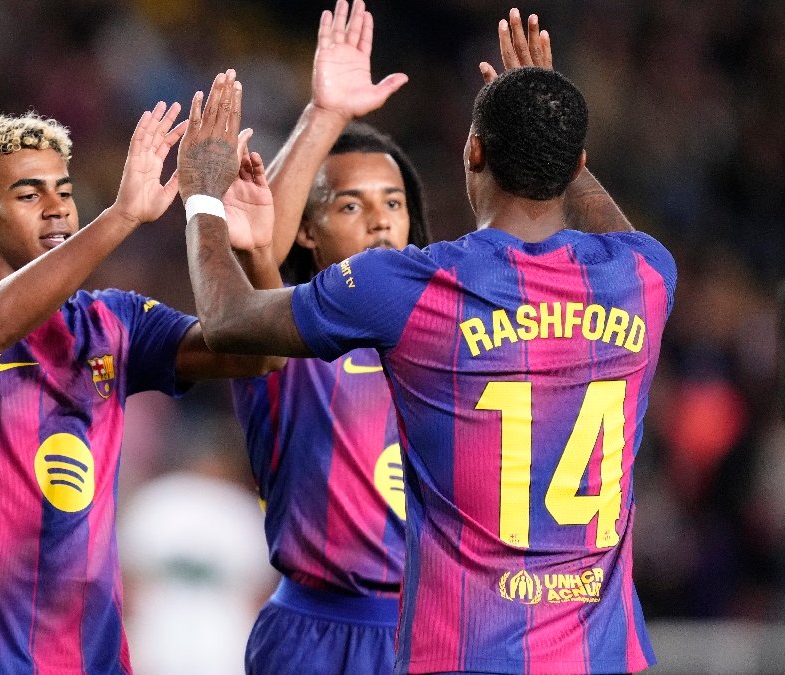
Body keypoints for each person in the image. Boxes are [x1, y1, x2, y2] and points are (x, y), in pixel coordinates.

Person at [178, 8, 674, 674]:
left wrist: (202, 197)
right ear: (578, 163)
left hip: (464, 652)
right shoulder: (645, 276)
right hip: (599, 655)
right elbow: (621, 233)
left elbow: (227, 320)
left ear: (473, 152)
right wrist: (550, 131)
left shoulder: (412, 288)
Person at [0, 104, 283, 673]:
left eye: (65, 192)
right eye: (29, 194)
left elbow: (260, 354)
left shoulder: (113, 321)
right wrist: (121, 216)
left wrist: (253, 251)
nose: (57, 208)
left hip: (90, 658)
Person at [229, 1, 431, 672]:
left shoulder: (449, 329)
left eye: (393, 202)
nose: (380, 221)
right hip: (319, 634)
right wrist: (325, 116)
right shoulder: (285, 329)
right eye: (350, 204)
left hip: (439, 628)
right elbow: (257, 246)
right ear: (309, 233)